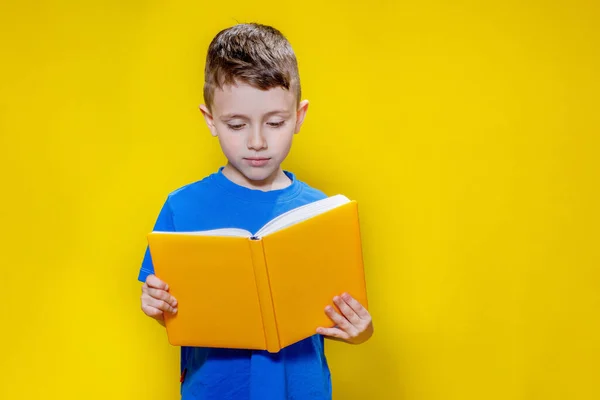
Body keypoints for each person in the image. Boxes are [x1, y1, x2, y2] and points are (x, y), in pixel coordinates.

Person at [138, 23, 374, 400]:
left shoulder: (322, 211)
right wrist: (155, 304)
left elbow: (347, 312)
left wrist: (360, 330)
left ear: (299, 116)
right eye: (236, 124)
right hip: (213, 390)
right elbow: (161, 302)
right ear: (210, 119)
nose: (257, 141)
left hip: (301, 390)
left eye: (275, 122)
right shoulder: (181, 207)